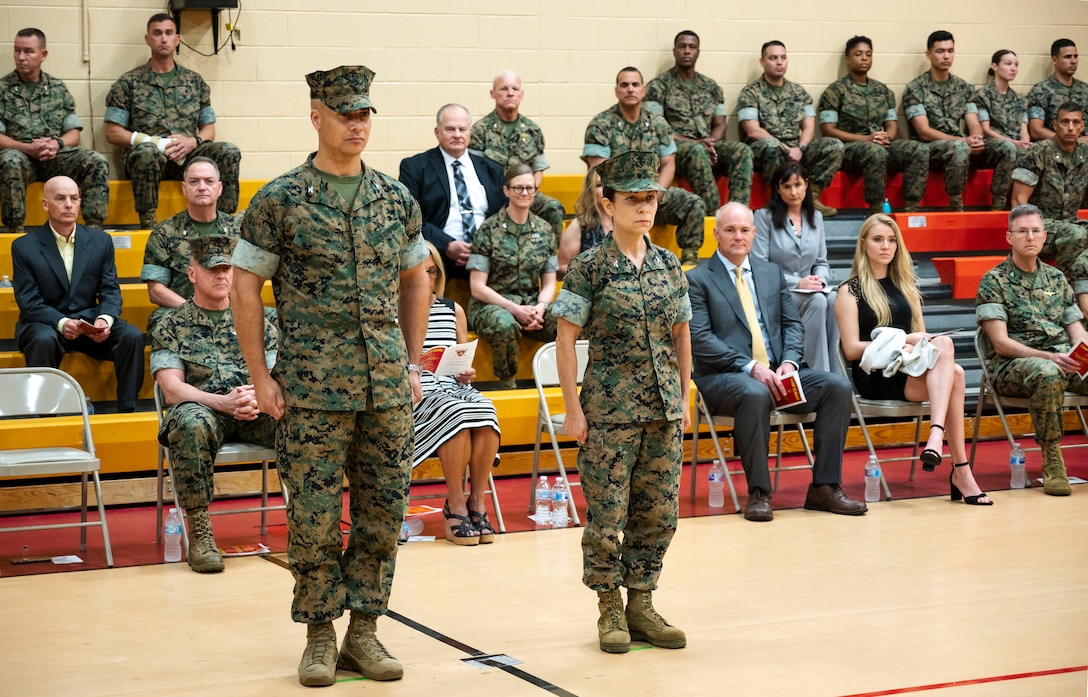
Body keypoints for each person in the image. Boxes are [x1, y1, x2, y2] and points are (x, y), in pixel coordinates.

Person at [231, 65, 430, 687]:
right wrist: (260, 374)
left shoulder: (394, 197)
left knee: (382, 514)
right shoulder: (280, 199)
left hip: (385, 388)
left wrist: (411, 361)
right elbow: (244, 286)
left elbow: (416, 279)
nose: (356, 124)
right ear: (316, 116)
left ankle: (364, 633)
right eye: (345, 114)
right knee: (313, 517)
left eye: (364, 113)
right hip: (311, 388)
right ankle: (319, 635)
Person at [552, 150, 691, 654]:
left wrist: (684, 396)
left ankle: (642, 603)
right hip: (610, 414)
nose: (644, 208)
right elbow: (565, 340)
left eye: (650, 198)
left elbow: (682, 335)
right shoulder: (590, 267)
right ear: (608, 205)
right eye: (633, 199)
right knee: (609, 515)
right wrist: (573, 408)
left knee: (659, 513)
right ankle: (609, 605)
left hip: (662, 409)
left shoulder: (669, 264)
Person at [688, 202, 867, 522]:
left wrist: (790, 362)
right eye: (730, 230)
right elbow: (700, 339)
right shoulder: (697, 279)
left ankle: (825, 487)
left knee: (837, 387)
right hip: (724, 379)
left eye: (744, 230)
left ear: (754, 233)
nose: (738, 236)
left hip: (776, 375)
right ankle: (759, 493)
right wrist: (751, 367)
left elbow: (792, 325)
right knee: (754, 392)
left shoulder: (770, 273)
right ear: (715, 234)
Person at [836, 214, 992, 505]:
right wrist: (906, 340)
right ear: (864, 244)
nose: (886, 246)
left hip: (909, 368)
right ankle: (953, 460)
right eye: (878, 239)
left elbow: (926, 343)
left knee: (949, 357)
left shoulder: (907, 288)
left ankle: (944, 450)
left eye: (891, 240)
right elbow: (851, 350)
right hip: (876, 374)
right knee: (955, 373)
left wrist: (918, 342)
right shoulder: (850, 290)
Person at [151, 235, 279, 573]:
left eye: (226, 269)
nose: (221, 276)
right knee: (188, 421)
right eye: (212, 270)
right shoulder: (171, 325)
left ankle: (310, 521)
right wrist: (223, 402)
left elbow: (274, 374)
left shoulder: (259, 319)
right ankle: (200, 533)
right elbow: (171, 389)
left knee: (303, 419)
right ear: (192, 274)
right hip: (206, 410)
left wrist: (256, 399)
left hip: (254, 409)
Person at [977, 203, 1088, 497]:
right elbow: (1000, 343)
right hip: (1011, 366)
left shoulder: (1057, 278)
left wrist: (1083, 352)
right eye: (1022, 231)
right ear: (1009, 237)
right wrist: (1049, 357)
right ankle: (1053, 459)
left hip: (1061, 359)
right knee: (1048, 372)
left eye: (1036, 231)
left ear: (1044, 236)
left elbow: (1076, 331)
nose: (1030, 237)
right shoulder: (993, 281)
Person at [11, 176, 145, 412]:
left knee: (132, 336)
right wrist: (62, 323)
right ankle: (45, 416)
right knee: (43, 339)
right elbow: (29, 302)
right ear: (45, 204)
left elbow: (110, 290)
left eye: (74, 198)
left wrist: (104, 320)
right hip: (47, 323)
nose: (68, 204)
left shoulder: (101, 241)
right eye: (60, 198)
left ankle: (128, 411)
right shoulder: (24, 246)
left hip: (89, 322)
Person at [104, 13, 241, 229]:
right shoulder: (129, 83)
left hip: (187, 158)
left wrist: (192, 142)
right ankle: (149, 226)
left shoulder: (194, 82)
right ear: (148, 39)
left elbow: (209, 130)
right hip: (148, 161)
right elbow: (113, 132)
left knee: (228, 151)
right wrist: (156, 143)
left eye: (169, 33)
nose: (163, 39)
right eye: (157, 33)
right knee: (146, 153)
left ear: (177, 39)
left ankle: (224, 223)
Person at [414, 242, 501, 545]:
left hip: (453, 386)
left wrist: (467, 372)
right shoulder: (395, 308)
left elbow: (463, 358)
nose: (427, 277)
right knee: (457, 413)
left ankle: (477, 501)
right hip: (417, 391)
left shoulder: (453, 310)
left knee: (485, 408)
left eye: (432, 271)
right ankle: (455, 503)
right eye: (420, 271)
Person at [583, 67, 707, 265]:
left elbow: (669, 164)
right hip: (619, 200)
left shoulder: (658, 123)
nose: (630, 89)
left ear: (643, 90)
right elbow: (599, 171)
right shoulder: (600, 125)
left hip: (653, 195)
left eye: (635, 85)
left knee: (693, 203)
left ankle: (689, 261)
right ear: (616, 91)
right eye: (624, 85)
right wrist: (630, 198)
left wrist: (652, 198)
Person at [0, 28, 109, 233]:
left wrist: (57, 143)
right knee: (9, 160)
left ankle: (94, 230)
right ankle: (15, 231)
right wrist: (26, 148)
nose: (21, 57)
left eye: (28, 51)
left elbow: (74, 134)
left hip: (54, 156)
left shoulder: (58, 88)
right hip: (22, 157)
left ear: (43, 55)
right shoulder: (2, 89)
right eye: (17, 51)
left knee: (96, 161)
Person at [467, 163, 558, 389]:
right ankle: (507, 386)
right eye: (518, 188)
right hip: (492, 305)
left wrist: (541, 307)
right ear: (506, 191)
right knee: (505, 323)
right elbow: (477, 286)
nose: (524, 193)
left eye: (529, 188)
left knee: (568, 318)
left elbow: (549, 282)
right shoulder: (488, 230)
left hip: (532, 305)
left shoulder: (545, 230)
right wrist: (515, 309)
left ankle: (564, 383)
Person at [903, 30, 1015, 211]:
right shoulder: (915, 89)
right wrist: (963, 140)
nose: (946, 56)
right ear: (928, 54)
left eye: (950, 51)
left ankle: (998, 206)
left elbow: (973, 122)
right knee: (959, 147)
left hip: (961, 146)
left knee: (1006, 147)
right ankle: (956, 207)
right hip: (931, 150)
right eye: (940, 51)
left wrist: (976, 138)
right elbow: (924, 131)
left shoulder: (963, 87)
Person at [644, 30, 754, 211]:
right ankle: (713, 214)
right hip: (676, 149)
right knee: (696, 151)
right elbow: (657, 130)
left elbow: (720, 124)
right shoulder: (658, 86)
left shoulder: (711, 87)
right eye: (682, 46)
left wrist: (710, 142)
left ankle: (737, 211)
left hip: (707, 146)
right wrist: (696, 143)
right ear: (674, 51)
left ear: (698, 52)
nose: (687, 51)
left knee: (742, 150)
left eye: (692, 47)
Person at [818, 35, 928, 214]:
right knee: (874, 151)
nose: (864, 58)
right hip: (850, 150)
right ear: (847, 59)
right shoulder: (835, 91)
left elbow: (891, 124)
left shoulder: (883, 91)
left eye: (868, 54)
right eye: (858, 54)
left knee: (918, 149)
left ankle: (912, 208)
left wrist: (885, 137)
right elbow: (828, 130)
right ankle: (877, 210)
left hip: (880, 145)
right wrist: (867, 139)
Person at [399, 104, 506, 280]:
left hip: (488, 253)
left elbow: (504, 215)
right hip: (438, 253)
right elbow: (409, 219)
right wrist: (447, 244)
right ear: (437, 132)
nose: (457, 134)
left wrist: (484, 246)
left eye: (462, 129)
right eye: (450, 129)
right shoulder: (415, 168)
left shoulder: (492, 169)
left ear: (469, 132)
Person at [737, 41, 842, 218]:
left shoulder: (799, 92)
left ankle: (811, 197)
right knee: (772, 146)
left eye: (783, 58)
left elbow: (809, 126)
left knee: (834, 145)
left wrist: (800, 148)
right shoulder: (750, 93)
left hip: (797, 149)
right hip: (765, 151)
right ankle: (778, 201)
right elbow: (752, 130)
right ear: (762, 62)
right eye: (773, 58)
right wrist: (786, 149)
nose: (779, 62)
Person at [753, 162, 838, 373]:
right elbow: (760, 266)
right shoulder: (764, 217)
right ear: (778, 189)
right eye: (787, 186)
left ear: (806, 185)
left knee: (835, 299)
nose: (793, 192)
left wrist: (820, 281)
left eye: (798, 185)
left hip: (810, 290)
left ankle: (835, 371)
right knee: (817, 301)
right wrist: (797, 282)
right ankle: (815, 372)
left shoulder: (816, 217)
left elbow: (821, 262)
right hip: (777, 291)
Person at [141, 156, 240, 331]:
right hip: (184, 313)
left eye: (209, 181)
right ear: (184, 188)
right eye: (194, 181)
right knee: (160, 321)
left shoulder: (238, 231)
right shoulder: (165, 232)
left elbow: (250, 281)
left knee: (273, 318)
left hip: (232, 312)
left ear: (219, 188)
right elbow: (156, 291)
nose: (202, 187)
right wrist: (197, 312)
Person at [469, 71, 566, 239]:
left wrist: (526, 193)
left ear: (521, 94)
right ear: (492, 94)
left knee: (553, 208)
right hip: (492, 196)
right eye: (504, 89)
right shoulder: (480, 130)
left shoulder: (532, 130)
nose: (510, 93)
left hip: (525, 193)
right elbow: (473, 171)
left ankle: (548, 252)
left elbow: (538, 168)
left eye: (515, 89)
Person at [1011, 102, 1088, 280]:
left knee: (1075, 231)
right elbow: (1018, 200)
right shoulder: (1038, 152)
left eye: (1076, 122)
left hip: (1070, 223)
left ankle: (1083, 286)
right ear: (1055, 125)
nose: (1070, 128)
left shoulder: (1085, 153)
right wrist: (1025, 236)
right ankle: (1064, 288)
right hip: (1039, 226)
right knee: (1075, 234)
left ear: (1082, 126)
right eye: (1065, 122)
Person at [1027, 39, 1088, 141]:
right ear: (1055, 60)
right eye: (1068, 57)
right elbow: (1036, 131)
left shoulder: (1085, 89)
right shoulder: (1041, 91)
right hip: (1054, 146)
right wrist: (1072, 140)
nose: (1073, 61)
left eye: (1075, 56)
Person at [558, 168, 612, 276]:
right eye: (599, 185)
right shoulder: (580, 225)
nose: (605, 189)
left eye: (609, 184)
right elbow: (561, 266)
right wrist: (589, 276)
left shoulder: (629, 221)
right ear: (590, 190)